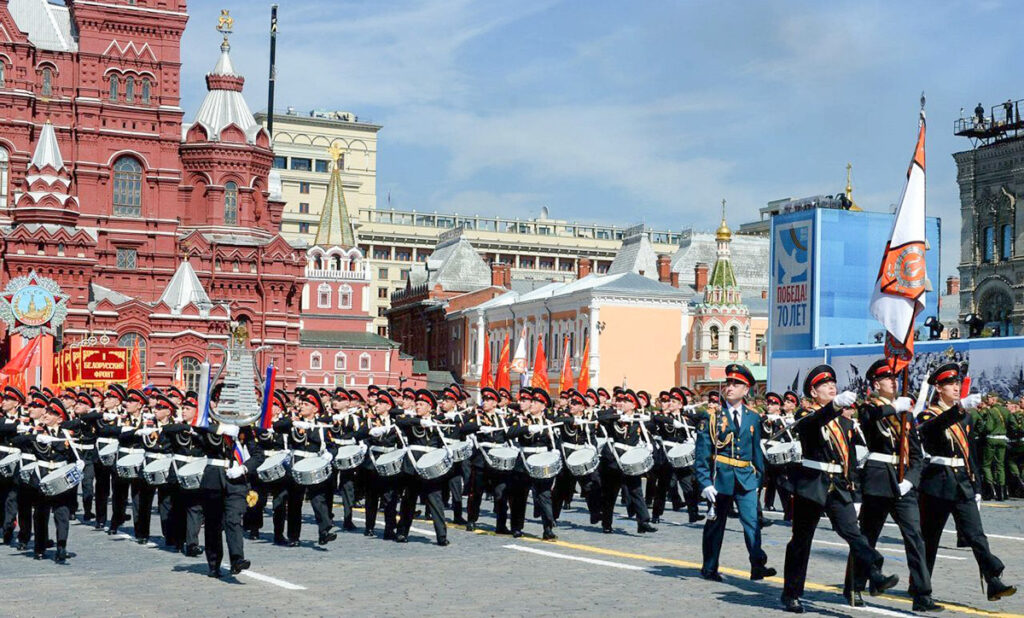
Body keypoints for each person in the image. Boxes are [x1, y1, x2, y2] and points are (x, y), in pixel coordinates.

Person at [781, 365, 898, 613]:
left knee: (854, 535)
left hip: (838, 485)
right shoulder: (806, 412)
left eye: (833, 382)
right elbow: (814, 422)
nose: (831, 386)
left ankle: (875, 572)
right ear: (813, 391)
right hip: (812, 483)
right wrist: (833, 407)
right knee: (801, 541)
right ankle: (791, 592)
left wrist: (855, 493)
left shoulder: (844, 422)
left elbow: (851, 459)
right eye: (824, 384)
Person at [844, 360, 939, 611]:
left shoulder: (905, 414)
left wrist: (911, 479)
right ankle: (855, 587)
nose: (894, 382)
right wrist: (892, 408)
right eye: (888, 379)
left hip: (903, 482)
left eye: (896, 378)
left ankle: (922, 595)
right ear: (876, 384)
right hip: (877, 480)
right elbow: (867, 419)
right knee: (868, 537)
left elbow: (917, 453)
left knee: (915, 537)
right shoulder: (871, 408)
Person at [917, 363, 1016, 602]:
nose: (955, 387)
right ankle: (921, 592)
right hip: (937, 483)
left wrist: (978, 486)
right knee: (929, 540)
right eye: (950, 383)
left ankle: (993, 580)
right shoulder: (929, 414)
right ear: (938, 388)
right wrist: (959, 408)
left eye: (956, 383)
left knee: (976, 534)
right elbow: (931, 429)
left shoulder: (966, 417)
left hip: (962, 481)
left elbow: (970, 453)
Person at [694, 364, 775, 583]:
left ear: (746, 390)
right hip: (720, 477)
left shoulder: (752, 416)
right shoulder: (711, 416)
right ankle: (709, 567)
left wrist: (759, 477)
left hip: (746, 476)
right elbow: (702, 453)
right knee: (716, 524)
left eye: (736, 384)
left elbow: (756, 450)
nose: (730, 387)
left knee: (752, 522)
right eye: (728, 383)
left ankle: (757, 565)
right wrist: (705, 483)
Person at [16, 398, 81, 562]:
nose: (46, 415)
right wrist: (34, 437)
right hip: (42, 476)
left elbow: (74, 455)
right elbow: (16, 441)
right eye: (47, 411)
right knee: (40, 514)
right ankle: (39, 548)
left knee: (62, 513)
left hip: (60, 477)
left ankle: (61, 547)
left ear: (59, 419)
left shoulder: (67, 434)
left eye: (52, 413)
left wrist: (78, 465)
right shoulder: (36, 431)